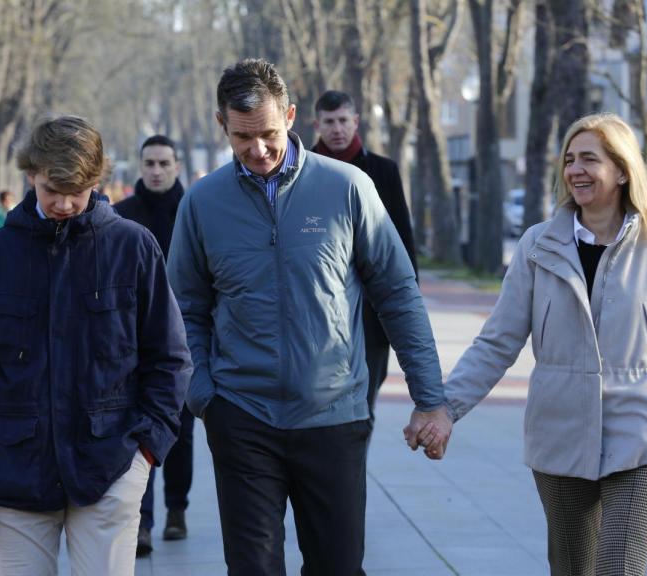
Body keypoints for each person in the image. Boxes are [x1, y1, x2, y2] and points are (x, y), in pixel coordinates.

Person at [167, 58, 451, 576]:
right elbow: (184, 307)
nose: (258, 150)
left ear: (292, 116)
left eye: (269, 134)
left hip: (333, 417)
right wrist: (204, 396)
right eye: (242, 137)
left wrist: (430, 399)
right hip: (242, 417)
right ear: (221, 124)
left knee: (337, 567)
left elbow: (397, 292)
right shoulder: (202, 203)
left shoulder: (347, 187)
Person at [439, 113, 647, 576]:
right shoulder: (537, 246)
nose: (575, 170)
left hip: (640, 432)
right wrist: (446, 408)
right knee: (571, 568)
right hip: (558, 432)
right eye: (569, 160)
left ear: (622, 170)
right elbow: (497, 342)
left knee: (619, 568)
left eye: (589, 159)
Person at [0, 115, 192, 576]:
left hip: (111, 467)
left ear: (97, 181)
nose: (63, 203)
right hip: (15, 471)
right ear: (30, 175)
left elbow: (170, 359)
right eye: (51, 190)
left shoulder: (133, 247)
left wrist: (145, 452)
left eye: (76, 191)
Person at [311, 90, 418, 421]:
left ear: (356, 121)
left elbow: (402, 245)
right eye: (329, 122)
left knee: (362, 407)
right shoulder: (303, 171)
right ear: (317, 125)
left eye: (343, 120)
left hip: (372, 315)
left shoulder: (384, 171)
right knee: (317, 407)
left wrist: (406, 312)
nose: (337, 129)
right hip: (317, 311)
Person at [114, 134, 193, 555]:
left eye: (164, 163)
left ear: (177, 166)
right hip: (133, 343)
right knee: (135, 434)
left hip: (184, 344)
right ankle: (141, 522)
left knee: (180, 433)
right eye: (150, 163)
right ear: (140, 166)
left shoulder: (194, 210)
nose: (157, 171)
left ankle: (177, 509)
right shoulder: (122, 215)